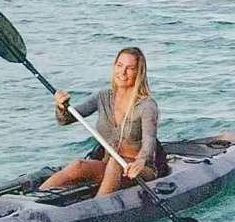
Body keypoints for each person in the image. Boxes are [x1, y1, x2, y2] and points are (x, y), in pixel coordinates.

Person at [37, 46, 165, 198]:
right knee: (78, 165)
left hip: (139, 170)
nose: (122, 72)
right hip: (108, 165)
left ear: (139, 72)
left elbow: (149, 142)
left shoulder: (147, 105)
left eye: (130, 68)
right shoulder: (103, 97)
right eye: (119, 66)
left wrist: (141, 161)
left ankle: (98, 207)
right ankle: (35, 200)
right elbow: (67, 120)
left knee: (115, 163)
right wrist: (61, 106)